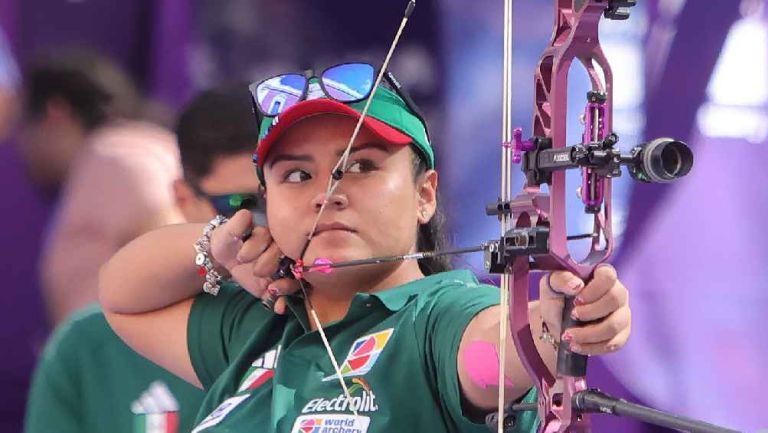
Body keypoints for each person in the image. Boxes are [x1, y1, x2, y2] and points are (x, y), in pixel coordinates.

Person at [100, 64, 631, 433]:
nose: (327, 193)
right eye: (297, 175)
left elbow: (493, 355)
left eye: (360, 166)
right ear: (268, 203)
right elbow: (121, 294)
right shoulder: (261, 327)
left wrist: (552, 325)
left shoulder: (440, 316)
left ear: (425, 195)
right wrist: (216, 247)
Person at [25, 85, 265, 433]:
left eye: (288, 188)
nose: (259, 225)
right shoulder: (88, 345)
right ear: (183, 198)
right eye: (236, 205)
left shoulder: (336, 321)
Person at [19, 49, 185, 324]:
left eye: (25, 129)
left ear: (54, 112)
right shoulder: (135, 149)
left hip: (130, 361)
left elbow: (175, 249)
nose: (23, 148)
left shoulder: (114, 157)